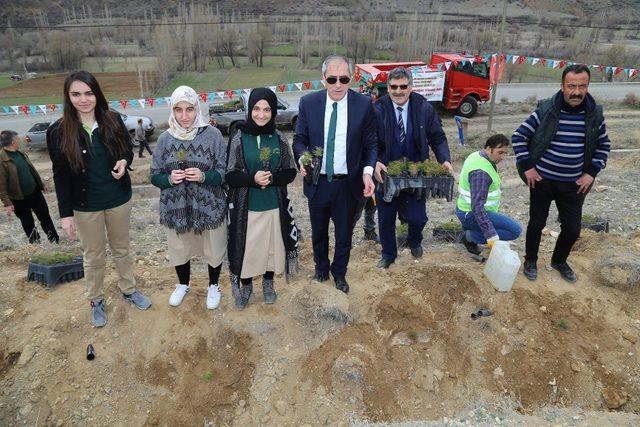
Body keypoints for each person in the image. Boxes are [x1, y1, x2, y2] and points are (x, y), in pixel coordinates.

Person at [47, 70, 151, 327]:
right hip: (85, 207)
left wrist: (124, 161)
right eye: (76, 94)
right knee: (93, 256)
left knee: (122, 249)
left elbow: (127, 149)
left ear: (97, 94)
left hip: (118, 199)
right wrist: (65, 215)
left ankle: (128, 289)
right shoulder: (59, 131)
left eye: (88, 93)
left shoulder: (113, 119)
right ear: (68, 97)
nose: (83, 99)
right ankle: (95, 300)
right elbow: (60, 175)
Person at [512, 64, 611, 282]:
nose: (576, 92)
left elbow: (604, 146)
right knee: (537, 223)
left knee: (573, 229)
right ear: (562, 86)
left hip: (574, 184)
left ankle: (558, 260)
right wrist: (528, 167)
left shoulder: (595, 114)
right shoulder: (546, 110)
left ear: (588, 86)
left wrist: (591, 173)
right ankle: (530, 260)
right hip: (542, 181)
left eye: (582, 86)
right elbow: (518, 137)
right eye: (571, 86)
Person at [293, 55, 377, 294]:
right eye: (332, 79)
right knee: (318, 232)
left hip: (348, 185)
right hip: (318, 182)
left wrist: (368, 173)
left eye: (344, 78)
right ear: (323, 79)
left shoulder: (363, 105)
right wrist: (303, 158)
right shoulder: (309, 103)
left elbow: (371, 144)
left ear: (351, 78)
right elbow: (300, 139)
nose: (338, 84)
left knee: (344, 236)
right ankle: (321, 270)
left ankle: (339, 273)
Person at [150, 86, 227, 310]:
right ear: (172, 110)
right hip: (177, 205)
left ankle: (214, 285)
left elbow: (224, 172)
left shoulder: (212, 136)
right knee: (179, 246)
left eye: (189, 109)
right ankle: (183, 284)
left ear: (197, 109)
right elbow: (154, 175)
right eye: (179, 110)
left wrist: (204, 176)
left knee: (213, 244)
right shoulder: (165, 139)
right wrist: (168, 179)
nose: (184, 116)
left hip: (209, 204)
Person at [226, 88, 299, 309]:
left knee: (270, 248)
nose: (261, 114)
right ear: (249, 110)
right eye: (256, 109)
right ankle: (246, 286)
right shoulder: (239, 137)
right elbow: (230, 175)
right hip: (246, 207)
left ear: (273, 111)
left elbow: (290, 171)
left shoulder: (278, 138)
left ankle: (268, 284)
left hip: (273, 206)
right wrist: (253, 179)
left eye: (267, 109)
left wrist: (273, 178)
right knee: (247, 248)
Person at [373, 67, 452, 269]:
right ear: (388, 87)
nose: (398, 91)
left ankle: (414, 240)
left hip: (417, 173)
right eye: (393, 87)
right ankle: (389, 254)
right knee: (386, 219)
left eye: (403, 86)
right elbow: (368, 141)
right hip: (386, 174)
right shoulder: (377, 109)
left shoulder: (423, 107)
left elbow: (437, 136)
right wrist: (373, 162)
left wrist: (444, 159)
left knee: (418, 218)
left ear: (411, 87)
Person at [456, 134, 522, 254]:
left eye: (505, 153)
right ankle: (470, 237)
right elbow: (477, 207)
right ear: (488, 149)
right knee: (515, 230)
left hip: (464, 209)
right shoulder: (481, 172)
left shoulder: (477, 155)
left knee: (502, 227)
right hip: (471, 214)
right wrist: (490, 234)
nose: (503, 157)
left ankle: (471, 232)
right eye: (500, 152)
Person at [0, 130, 59, 244]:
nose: (19, 141)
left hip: (35, 192)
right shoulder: (2, 159)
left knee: (45, 217)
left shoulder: (20, 153)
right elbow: (1, 185)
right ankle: (36, 244)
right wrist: (7, 203)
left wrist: (41, 185)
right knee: (27, 222)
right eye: (17, 139)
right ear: (13, 142)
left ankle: (54, 241)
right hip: (18, 198)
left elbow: (31, 170)